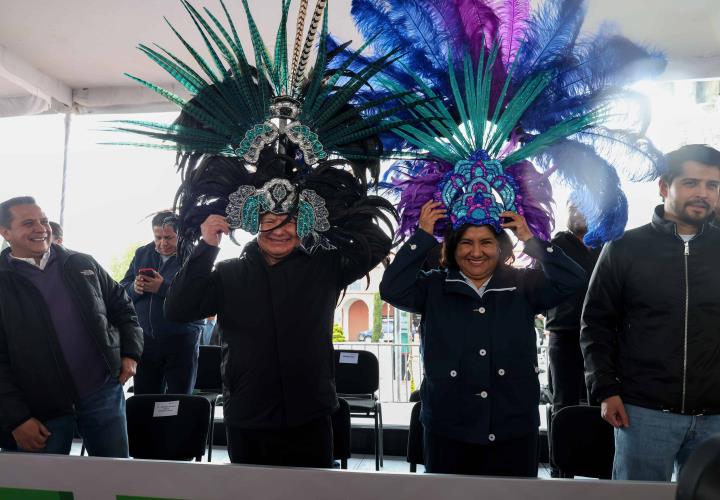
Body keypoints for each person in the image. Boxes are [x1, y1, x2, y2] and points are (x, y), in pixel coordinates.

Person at [380, 201, 586, 476]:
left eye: (486, 242)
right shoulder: (433, 287)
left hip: (512, 429)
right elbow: (391, 288)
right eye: (466, 242)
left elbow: (573, 280)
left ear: (500, 247)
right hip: (448, 431)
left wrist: (529, 238)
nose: (476, 252)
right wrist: (423, 236)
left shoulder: (524, 284)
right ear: (453, 248)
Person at [581, 144, 720, 481]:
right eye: (690, 183)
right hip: (642, 412)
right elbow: (596, 324)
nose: (702, 193)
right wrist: (605, 390)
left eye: (712, 186)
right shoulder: (625, 247)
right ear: (664, 186)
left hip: (716, 416)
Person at [0, 196, 143, 456]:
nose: (41, 228)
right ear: (5, 232)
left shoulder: (82, 263)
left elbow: (123, 308)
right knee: (42, 491)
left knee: (112, 480)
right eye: (28, 223)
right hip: (38, 411)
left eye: (44, 221)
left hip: (103, 393)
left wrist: (131, 354)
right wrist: (16, 418)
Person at [120, 211, 204, 395]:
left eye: (168, 237)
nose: (162, 243)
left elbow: (200, 299)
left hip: (182, 340)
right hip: (147, 341)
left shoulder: (195, 256)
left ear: (180, 234)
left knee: (179, 402)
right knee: (145, 400)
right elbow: (121, 290)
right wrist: (135, 288)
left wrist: (163, 288)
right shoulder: (142, 253)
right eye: (158, 237)